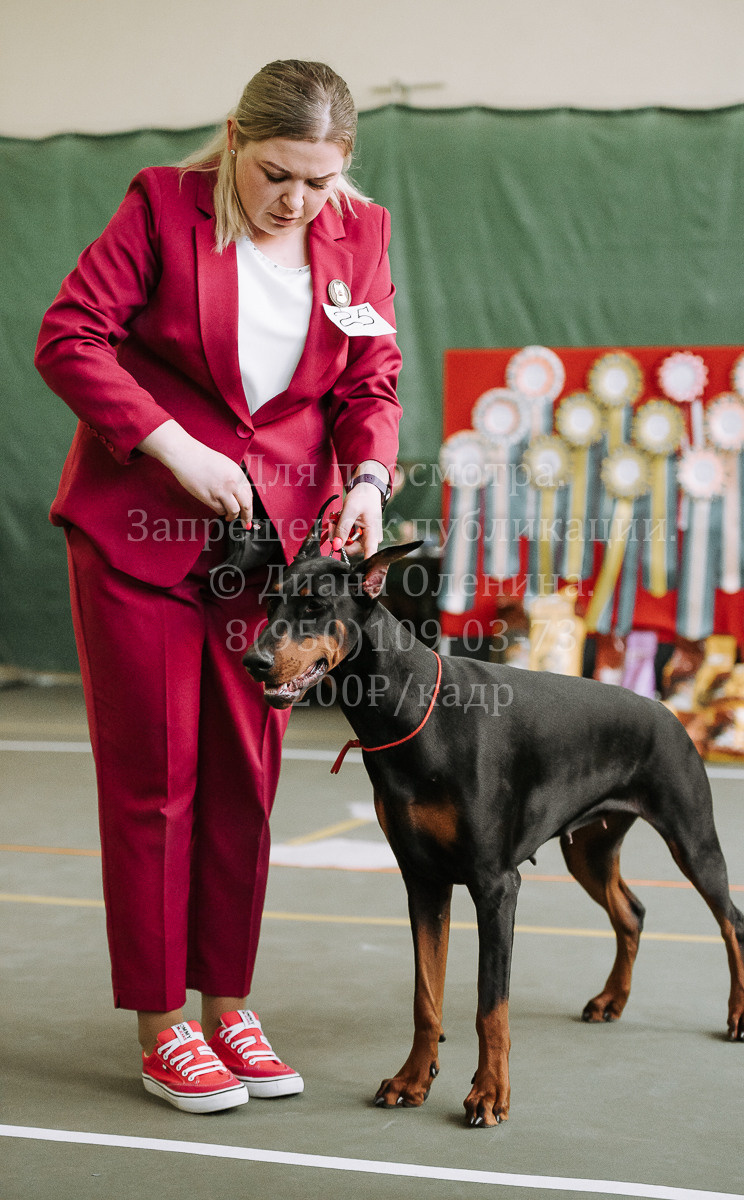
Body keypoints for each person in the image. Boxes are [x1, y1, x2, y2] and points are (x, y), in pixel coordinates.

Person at [35, 59, 402, 1114]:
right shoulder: (160, 204)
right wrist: (164, 443)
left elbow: (371, 380)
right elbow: (71, 338)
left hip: (272, 555)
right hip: (138, 535)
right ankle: (163, 1028)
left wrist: (370, 478)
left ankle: (228, 1007)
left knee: (247, 782)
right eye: (279, 174)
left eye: (320, 182)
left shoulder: (360, 233)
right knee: (158, 782)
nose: (298, 201)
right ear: (236, 139)